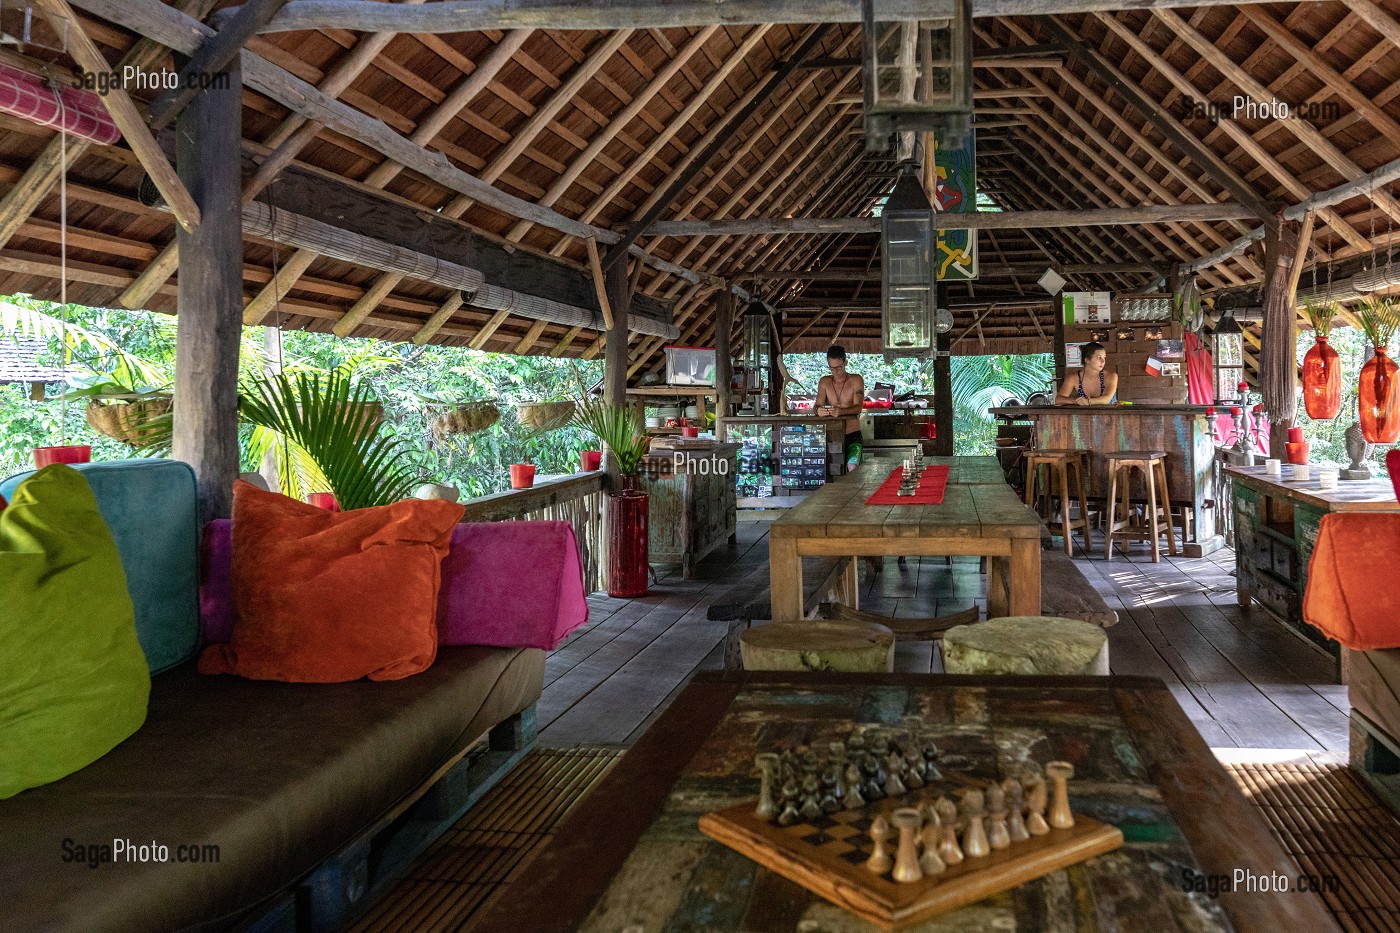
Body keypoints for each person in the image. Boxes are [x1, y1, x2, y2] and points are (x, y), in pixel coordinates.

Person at [815, 345, 866, 464]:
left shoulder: (856, 380)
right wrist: (819, 410)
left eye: (838, 368)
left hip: (852, 434)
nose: (835, 372)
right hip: (833, 435)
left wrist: (841, 411)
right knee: (833, 469)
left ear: (845, 362)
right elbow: (816, 406)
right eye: (831, 368)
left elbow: (858, 408)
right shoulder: (824, 382)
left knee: (853, 465)